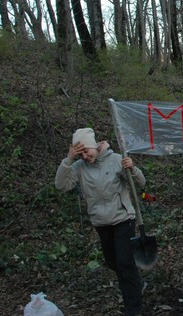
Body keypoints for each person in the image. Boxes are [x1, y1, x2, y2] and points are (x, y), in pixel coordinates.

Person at [55, 128, 146, 316]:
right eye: (81, 154)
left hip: (123, 219)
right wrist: (69, 159)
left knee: (124, 263)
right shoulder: (79, 167)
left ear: (94, 146)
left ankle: (133, 308)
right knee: (113, 263)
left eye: (86, 152)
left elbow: (141, 184)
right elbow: (61, 185)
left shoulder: (115, 160)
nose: (86, 157)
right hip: (100, 223)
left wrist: (132, 168)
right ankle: (135, 283)